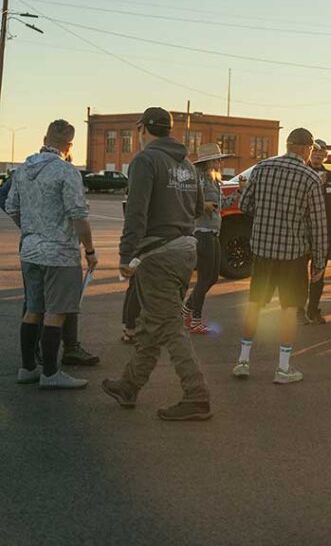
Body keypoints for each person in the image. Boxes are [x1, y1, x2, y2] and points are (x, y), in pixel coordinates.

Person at [100, 108, 212, 420]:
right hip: (186, 249)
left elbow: (136, 212)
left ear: (143, 129)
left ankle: (197, 394)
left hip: (158, 253)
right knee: (152, 323)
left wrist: (127, 255)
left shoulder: (145, 160)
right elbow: (199, 207)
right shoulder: (187, 165)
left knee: (170, 326)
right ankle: (129, 385)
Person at [232, 128, 329, 384]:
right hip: (293, 254)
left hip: (263, 250)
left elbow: (244, 205)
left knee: (255, 303)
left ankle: (243, 360)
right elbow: (318, 224)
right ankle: (283, 367)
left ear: (287, 145)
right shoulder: (310, 177)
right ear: (307, 149)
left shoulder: (262, 168)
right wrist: (319, 262)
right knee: (289, 307)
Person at [6, 119, 96, 389]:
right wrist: (89, 250)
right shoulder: (66, 172)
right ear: (69, 145)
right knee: (56, 312)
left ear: (45, 137)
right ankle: (51, 373)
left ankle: (28, 368)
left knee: (33, 308)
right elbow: (78, 216)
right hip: (59, 253)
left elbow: (11, 206)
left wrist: (32, 229)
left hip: (30, 250)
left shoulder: (22, 170)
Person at [182, 142, 233, 334]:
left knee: (212, 277)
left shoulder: (214, 181)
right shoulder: (199, 180)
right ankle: (194, 319)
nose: (221, 162)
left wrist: (239, 192)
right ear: (209, 161)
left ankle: (187, 309)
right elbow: (188, 202)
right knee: (205, 278)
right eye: (218, 159)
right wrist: (203, 205)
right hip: (202, 232)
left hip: (213, 232)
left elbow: (222, 206)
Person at [300, 139, 331, 325]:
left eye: (321, 152)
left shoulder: (330, 176)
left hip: (324, 231)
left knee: (318, 272)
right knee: (300, 271)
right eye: (314, 151)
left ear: (325, 155)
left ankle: (313, 309)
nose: (317, 155)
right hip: (304, 231)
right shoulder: (303, 171)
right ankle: (298, 310)